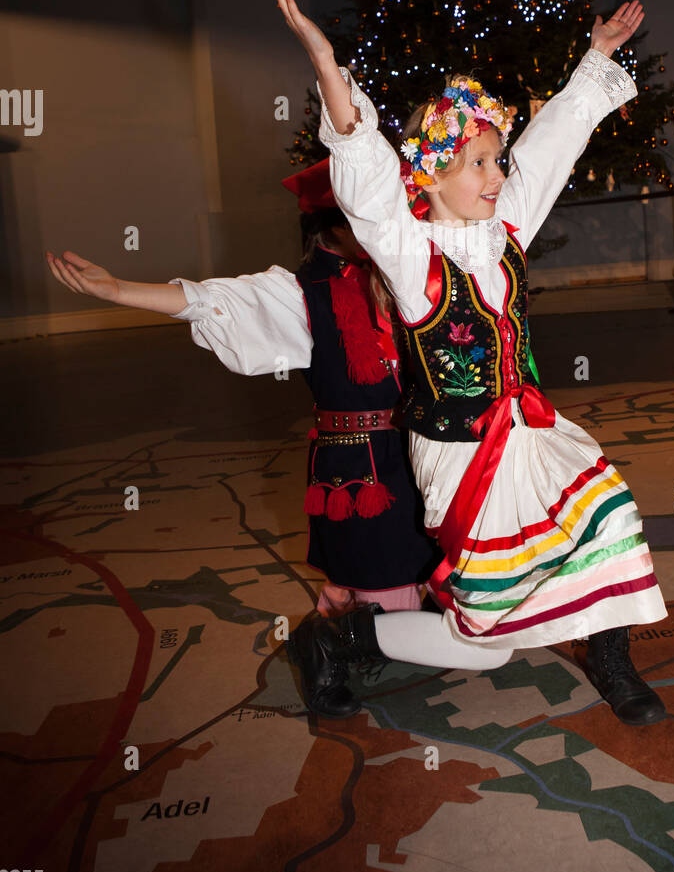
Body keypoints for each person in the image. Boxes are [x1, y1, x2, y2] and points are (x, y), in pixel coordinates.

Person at [267, 0, 668, 728]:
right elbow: (369, 182)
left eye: (495, 159)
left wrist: (594, 60)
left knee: (606, 515)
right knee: (484, 640)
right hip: (458, 455)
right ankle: (335, 641)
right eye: (478, 163)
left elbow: (551, 148)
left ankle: (612, 664)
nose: (496, 174)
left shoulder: (504, 226)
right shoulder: (414, 260)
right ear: (437, 175)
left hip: (528, 427)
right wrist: (326, 67)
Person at [44, 156, 440, 719]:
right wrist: (119, 290)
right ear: (331, 224)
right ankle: (322, 648)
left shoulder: (402, 271)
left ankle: (351, 635)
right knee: (375, 569)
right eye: (365, 217)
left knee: (417, 561)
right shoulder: (303, 291)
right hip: (357, 464)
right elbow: (214, 300)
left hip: (417, 450)